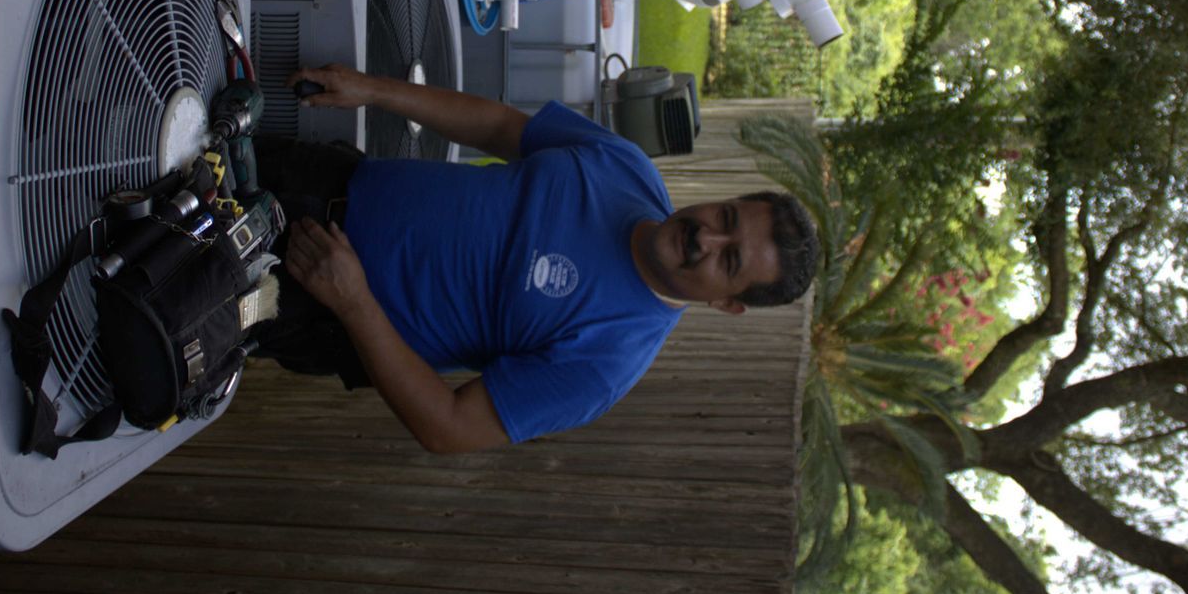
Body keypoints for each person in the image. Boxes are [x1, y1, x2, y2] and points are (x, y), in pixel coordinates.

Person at [250, 63, 821, 454]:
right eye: (726, 219)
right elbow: (499, 126)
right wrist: (373, 90)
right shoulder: (626, 168)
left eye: (729, 261)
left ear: (725, 303)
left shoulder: (607, 363)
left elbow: (449, 429)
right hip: (327, 175)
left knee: (165, 281)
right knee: (171, 152)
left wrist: (354, 304)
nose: (706, 238)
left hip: (308, 299)